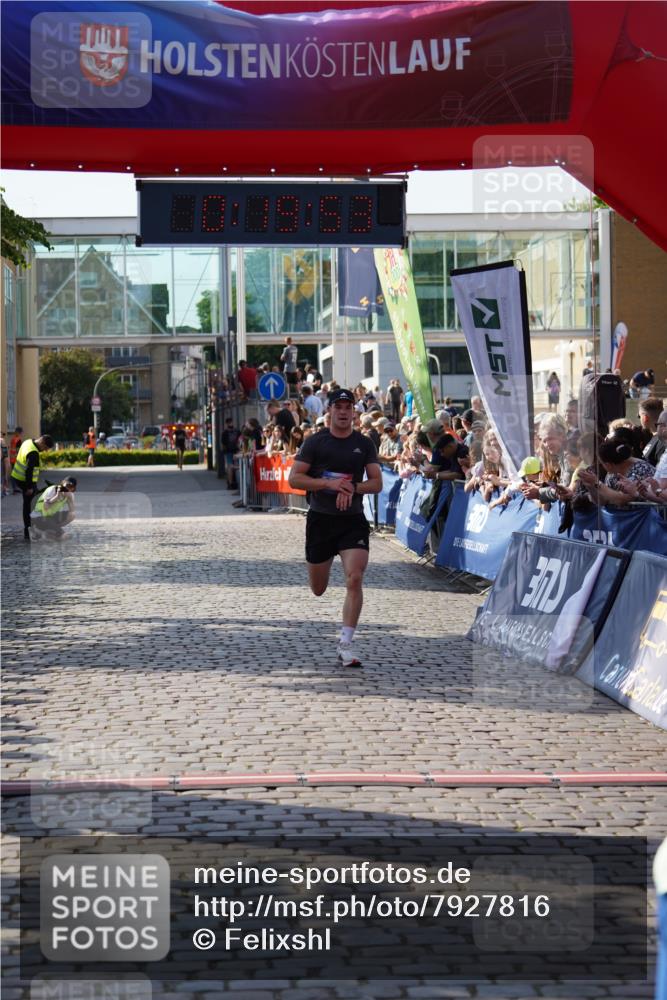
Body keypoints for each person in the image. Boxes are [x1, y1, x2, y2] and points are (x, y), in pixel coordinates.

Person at [288, 388, 382, 668]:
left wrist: (353, 487)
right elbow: (295, 478)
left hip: (352, 520)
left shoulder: (364, 444)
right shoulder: (316, 442)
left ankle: (346, 644)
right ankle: (319, 576)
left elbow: (376, 483)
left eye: (347, 407)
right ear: (330, 411)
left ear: (354, 412)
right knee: (318, 588)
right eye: (338, 407)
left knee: (355, 578)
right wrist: (328, 484)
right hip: (321, 520)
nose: (343, 412)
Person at [10, 434, 54, 540]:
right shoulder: (33, 453)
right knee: (30, 504)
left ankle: (32, 528)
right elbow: (29, 471)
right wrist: (29, 488)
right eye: (45, 448)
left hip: (18, 477)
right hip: (24, 480)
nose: (44, 450)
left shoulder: (28, 442)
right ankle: (29, 530)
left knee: (34, 501)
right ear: (42, 443)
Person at [221, 417, 239, 489]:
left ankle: (230, 483)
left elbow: (223, 443)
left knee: (229, 466)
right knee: (236, 466)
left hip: (228, 451)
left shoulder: (224, 432)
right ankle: (236, 481)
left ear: (226, 424)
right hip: (236, 451)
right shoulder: (237, 431)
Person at [9, 426, 23, 491]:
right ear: (19, 432)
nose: (21, 434)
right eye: (21, 433)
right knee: (16, 474)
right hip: (16, 459)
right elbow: (18, 450)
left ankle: (15, 488)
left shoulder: (13, 439)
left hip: (12, 458)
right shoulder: (18, 440)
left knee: (13, 473)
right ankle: (15, 488)